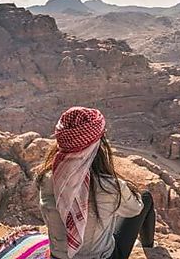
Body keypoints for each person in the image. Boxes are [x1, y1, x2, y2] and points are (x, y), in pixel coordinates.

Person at [38, 107, 155, 259]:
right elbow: (134, 209)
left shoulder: (46, 180)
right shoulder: (110, 186)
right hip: (103, 257)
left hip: (57, 257)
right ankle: (150, 248)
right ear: (96, 145)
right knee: (145, 198)